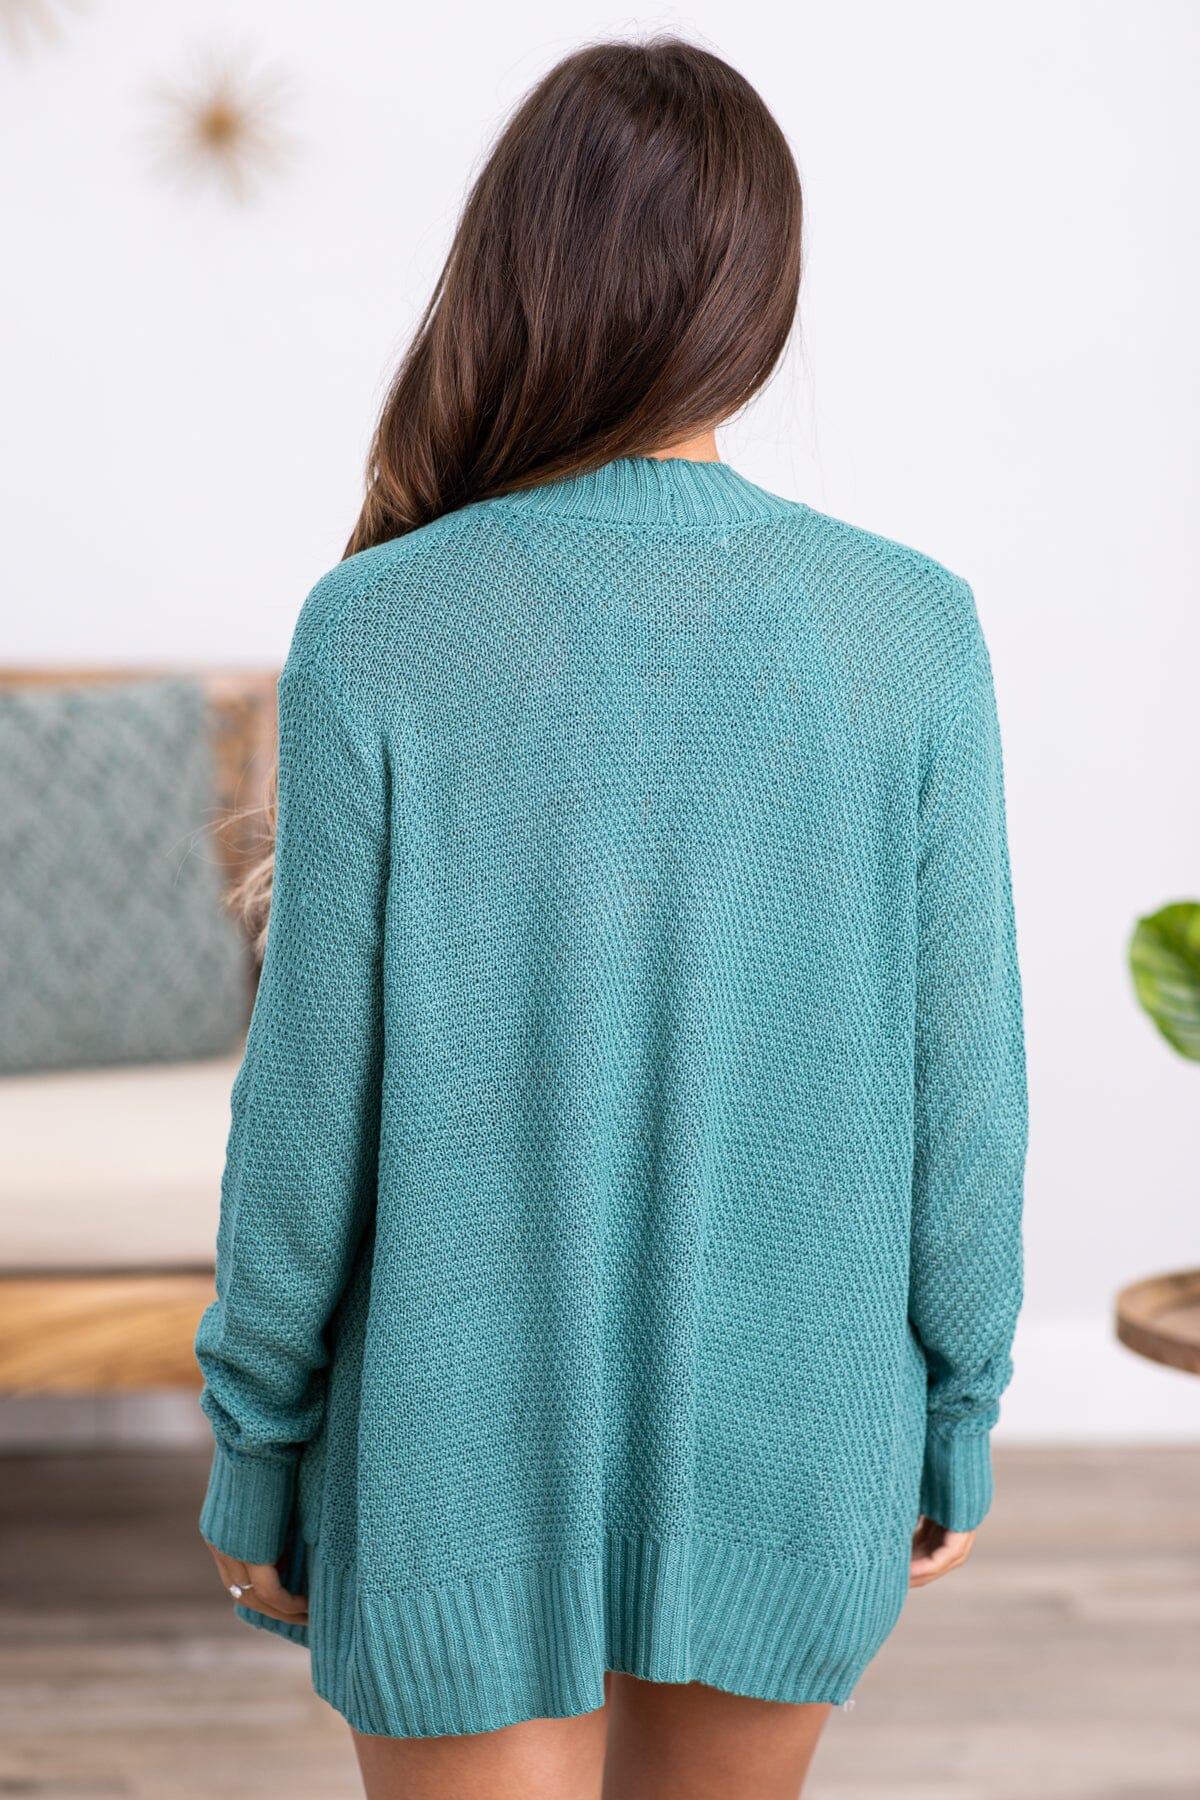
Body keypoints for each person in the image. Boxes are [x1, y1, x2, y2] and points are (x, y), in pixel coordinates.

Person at [194, 34, 1028, 1800]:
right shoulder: (911, 631)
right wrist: (953, 1420)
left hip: (452, 1467)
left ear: (513, 272)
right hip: (798, 1449)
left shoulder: (377, 627)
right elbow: (969, 1098)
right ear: (761, 300)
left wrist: (258, 1441)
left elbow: (304, 1113)